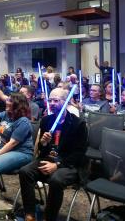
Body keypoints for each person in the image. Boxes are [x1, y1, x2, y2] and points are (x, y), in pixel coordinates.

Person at [19, 88, 88, 221]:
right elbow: (42, 150)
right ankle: (30, 214)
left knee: (56, 180)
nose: (51, 103)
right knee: (24, 171)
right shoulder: (46, 120)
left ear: (66, 102)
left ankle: (49, 218)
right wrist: (43, 143)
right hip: (49, 158)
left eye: (56, 100)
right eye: (50, 100)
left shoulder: (78, 124)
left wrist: (57, 165)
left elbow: (79, 154)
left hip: (69, 164)